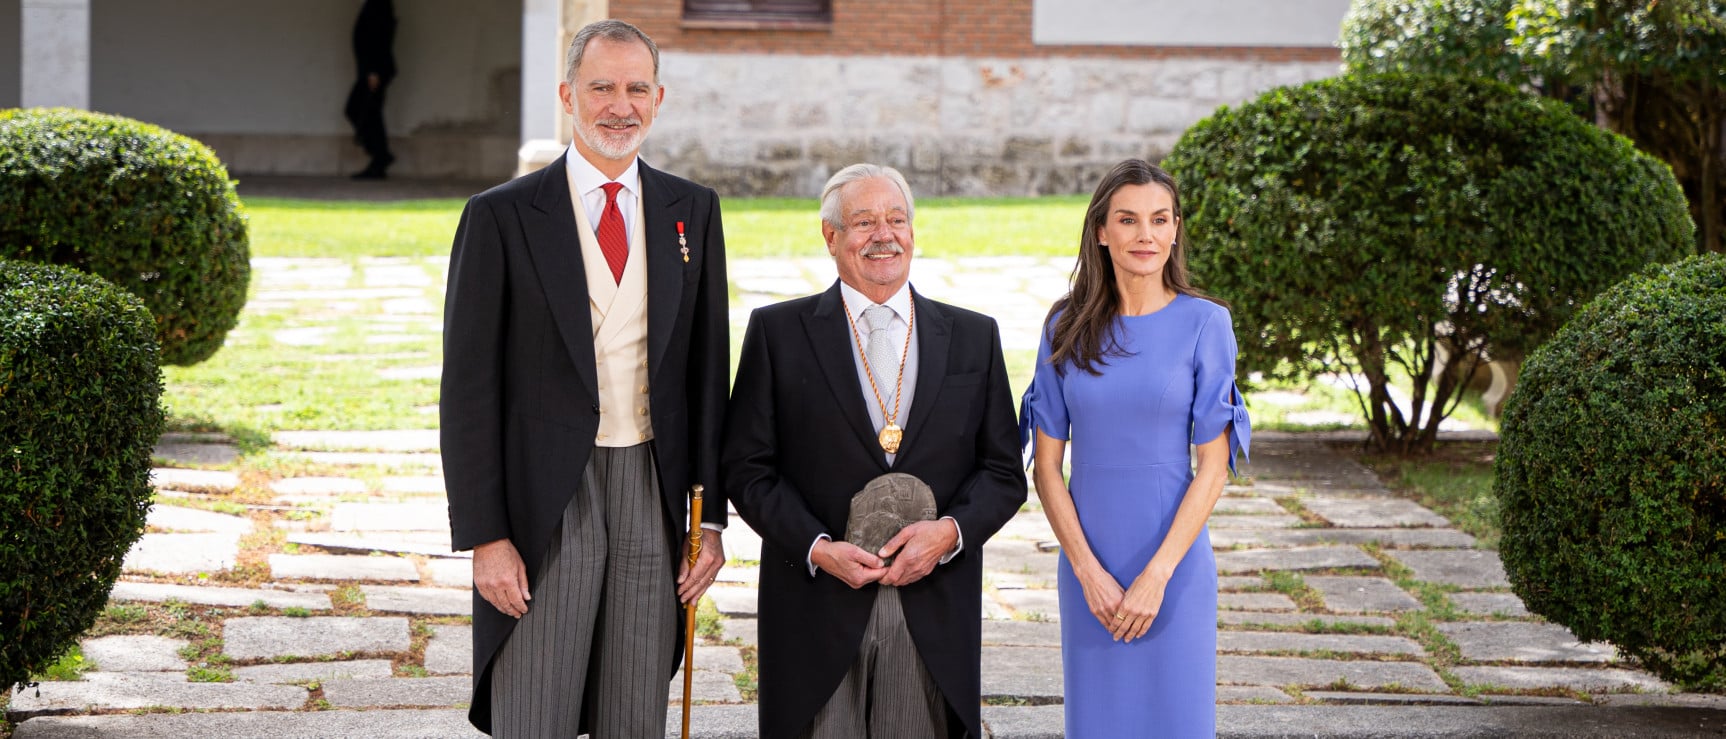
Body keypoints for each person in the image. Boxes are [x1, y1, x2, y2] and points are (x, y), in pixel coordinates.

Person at [440, 19, 729, 737]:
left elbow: (706, 372)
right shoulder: (499, 218)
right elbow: (467, 389)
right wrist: (486, 534)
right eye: (602, 87)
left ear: (658, 99)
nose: (619, 105)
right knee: (536, 701)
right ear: (568, 95)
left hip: (653, 488)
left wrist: (713, 516)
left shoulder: (692, 211)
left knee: (634, 709)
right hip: (543, 495)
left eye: (636, 88)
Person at [723, 163, 1026, 739]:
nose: (884, 235)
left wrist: (949, 535)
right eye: (864, 222)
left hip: (930, 599)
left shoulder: (973, 336)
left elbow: (1003, 473)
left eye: (897, 219)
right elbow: (748, 469)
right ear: (831, 237)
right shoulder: (778, 333)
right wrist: (817, 547)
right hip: (819, 599)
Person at [1019, 159, 1250, 737]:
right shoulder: (1064, 326)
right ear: (1101, 231)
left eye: (1159, 219)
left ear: (1175, 230)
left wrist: (1156, 577)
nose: (1145, 235)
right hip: (1087, 567)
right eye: (1128, 220)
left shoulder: (1208, 323)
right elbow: (1047, 466)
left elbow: (1213, 466)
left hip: (1173, 569)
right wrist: (1088, 572)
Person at [345, 0, 396, 179]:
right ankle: (379, 155)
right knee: (365, 111)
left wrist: (373, 71)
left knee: (364, 110)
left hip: (374, 71)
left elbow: (379, 37)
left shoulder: (379, 5)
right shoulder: (374, 5)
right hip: (370, 71)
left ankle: (380, 157)